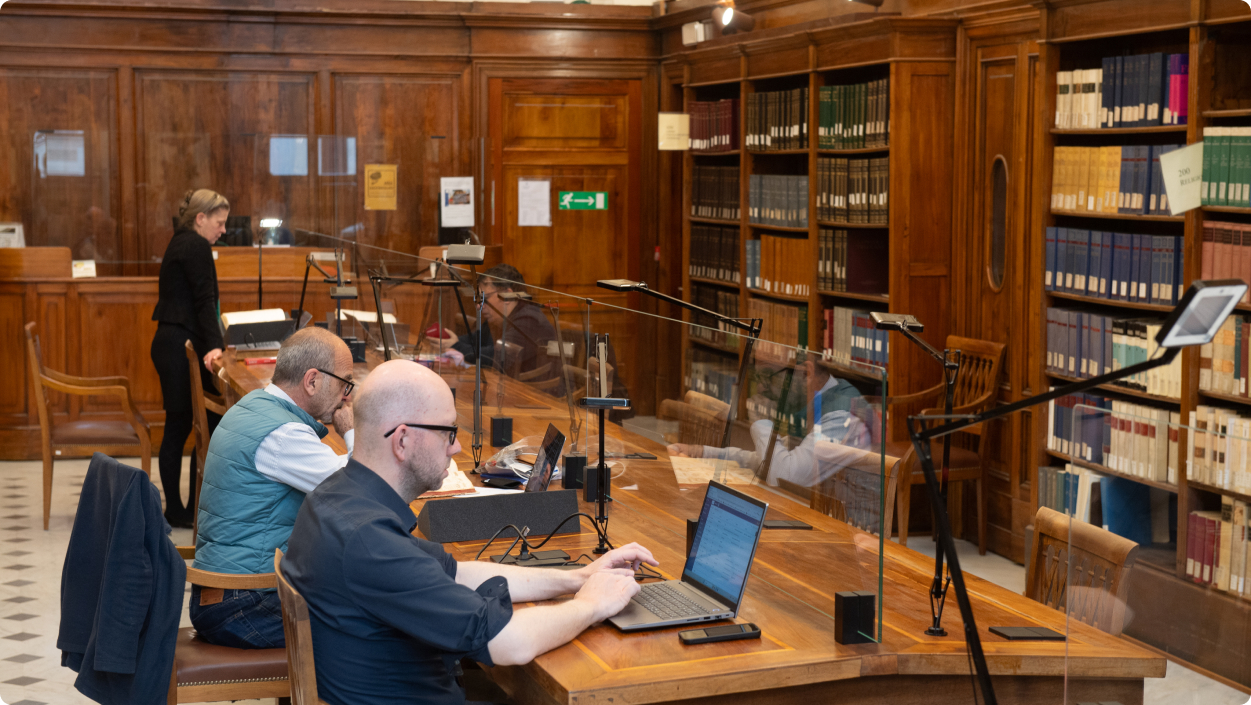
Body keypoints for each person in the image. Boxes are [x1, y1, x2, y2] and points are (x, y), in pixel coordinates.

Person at [282, 360, 657, 705]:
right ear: (402, 440)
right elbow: (511, 643)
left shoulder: (335, 497)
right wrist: (590, 605)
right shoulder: (370, 542)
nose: (457, 447)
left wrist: (579, 577)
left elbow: (457, 573)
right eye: (448, 433)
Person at [191, 327, 355, 649]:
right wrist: (351, 431)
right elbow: (358, 491)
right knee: (369, 626)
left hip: (223, 593)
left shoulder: (256, 405)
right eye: (345, 383)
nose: (347, 395)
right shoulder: (283, 435)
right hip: (242, 603)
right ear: (312, 380)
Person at [150, 188, 229, 528]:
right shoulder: (195, 245)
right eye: (219, 222)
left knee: (194, 427)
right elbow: (204, 301)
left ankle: (194, 508)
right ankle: (179, 511)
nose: (223, 230)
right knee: (182, 428)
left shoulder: (182, 240)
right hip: (177, 346)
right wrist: (216, 346)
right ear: (201, 219)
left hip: (173, 342)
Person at [668, 359, 875, 488]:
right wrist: (703, 453)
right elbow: (772, 461)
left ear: (806, 373)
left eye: (769, 377)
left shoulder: (839, 414)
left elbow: (782, 476)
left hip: (848, 537)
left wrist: (759, 420)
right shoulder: (815, 401)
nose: (760, 388)